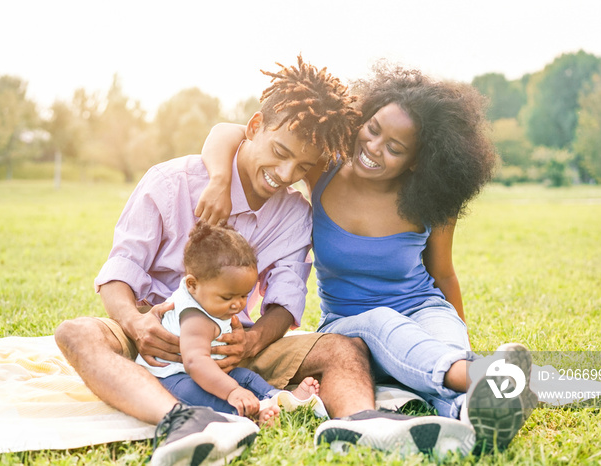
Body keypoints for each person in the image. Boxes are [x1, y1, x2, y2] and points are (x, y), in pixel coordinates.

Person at [55, 57, 473, 466]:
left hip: (230, 343)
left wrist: (253, 340)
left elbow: (286, 300)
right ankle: (180, 420)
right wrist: (134, 323)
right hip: (152, 334)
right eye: (278, 151)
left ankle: (361, 424)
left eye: (302, 165)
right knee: (77, 334)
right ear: (254, 128)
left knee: (344, 348)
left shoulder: (292, 212)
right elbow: (120, 270)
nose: (287, 173)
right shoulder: (170, 184)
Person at [198, 63, 538, 454]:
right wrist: (219, 180)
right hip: (350, 325)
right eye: (372, 129)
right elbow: (228, 132)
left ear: (415, 160)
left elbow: (443, 274)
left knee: (445, 360)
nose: (374, 148)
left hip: (423, 310)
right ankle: (485, 373)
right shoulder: (324, 169)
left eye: (395, 148)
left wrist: (456, 334)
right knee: (386, 324)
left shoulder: (431, 199)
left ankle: (475, 421)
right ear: (363, 117)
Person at [136, 221, 325, 425]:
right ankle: (248, 415)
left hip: (208, 368)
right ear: (192, 284)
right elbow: (195, 363)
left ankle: (280, 398)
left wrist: (234, 385)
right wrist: (232, 391)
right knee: (197, 394)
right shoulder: (195, 318)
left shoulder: (203, 291)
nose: (237, 305)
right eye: (227, 298)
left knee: (244, 376)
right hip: (171, 377)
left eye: (244, 295)